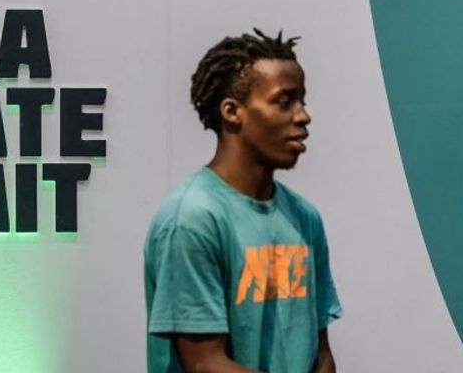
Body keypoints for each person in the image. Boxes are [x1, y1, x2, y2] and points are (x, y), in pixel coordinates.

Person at [144, 29, 342, 373]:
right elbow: (206, 364)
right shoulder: (191, 219)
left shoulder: (305, 218)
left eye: (303, 101)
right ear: (233, 111)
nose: (303, 116)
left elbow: (320, 351)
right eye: (285, 101)